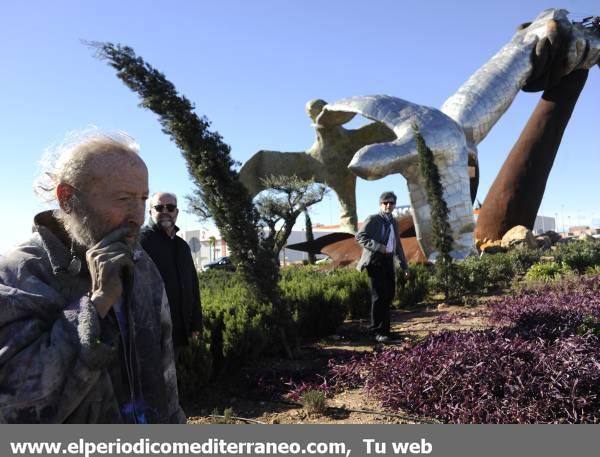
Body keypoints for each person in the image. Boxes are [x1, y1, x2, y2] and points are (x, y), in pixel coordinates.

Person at [0, 132, 185, 423]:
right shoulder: (20, 275)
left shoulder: (141, 263)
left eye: (143, 199)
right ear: (68, 199)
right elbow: (14, 410)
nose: (138, 215)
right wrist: (94, 307)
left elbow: (164, 375)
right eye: (123, 198)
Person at [140, 193, 202, 356]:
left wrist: (196, 324)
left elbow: (193, 286)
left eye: (171, 207)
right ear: (150, 212)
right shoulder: (140, 243)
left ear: (177, 212)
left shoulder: (183, 246)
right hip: (154, 339)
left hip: (182, 335)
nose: (165, 211)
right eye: (159, 207)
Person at [356, 191, 409, 342]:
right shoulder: (373, 219)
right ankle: (377, 332)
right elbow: (359, 236)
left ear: (394, 205)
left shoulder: (394, 222)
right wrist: (379, 247)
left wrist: (404, 266)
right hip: (375, 260)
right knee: (379, 296)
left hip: (388, 261)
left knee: (389, 295)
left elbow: (397, 244)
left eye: (391, 203)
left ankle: (385, 331)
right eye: (385, 203)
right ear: (380, 204)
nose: (388, 205)